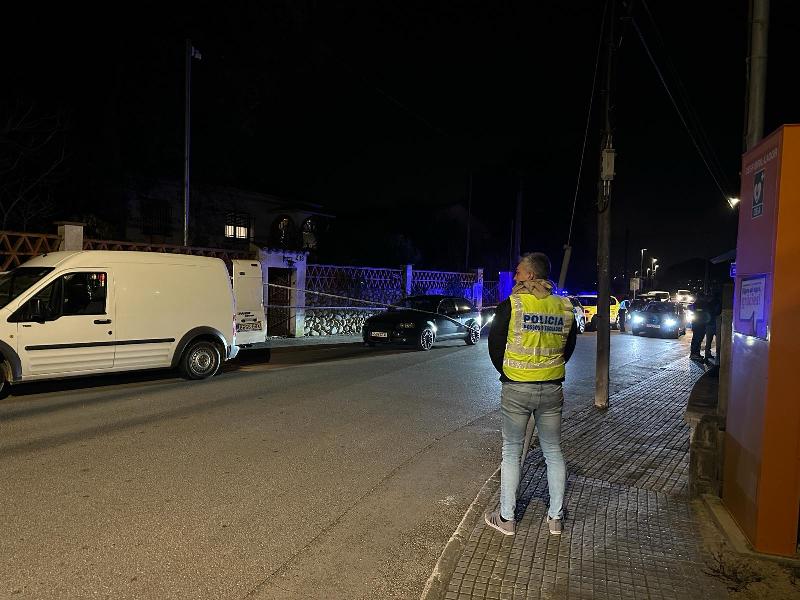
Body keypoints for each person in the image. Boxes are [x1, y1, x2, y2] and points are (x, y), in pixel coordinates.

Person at [484, 252, 577, 536]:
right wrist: (548, 369)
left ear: (531, 275)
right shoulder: (564, 306)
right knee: (553, 451)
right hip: (552, 388)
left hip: (517, 387)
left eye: (519, 272)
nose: (515, 276)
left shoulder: (512, 305)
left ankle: (507, 518)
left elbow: (495, 344)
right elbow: (568, 348)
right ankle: (555, 519)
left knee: (512, 452)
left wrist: (509, 372)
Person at [689, 293, 710, 361]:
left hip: (699, 324)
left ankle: (696, 354)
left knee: (698, 340)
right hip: (698, 325)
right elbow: (699, 312)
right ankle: (694, 354)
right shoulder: (699, 304)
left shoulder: (699, 303)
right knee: (697, 340)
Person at [704, 288, 722, 362]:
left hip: (709, 324)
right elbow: (718, 312)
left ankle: (706, 356)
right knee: (719, 341)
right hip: (716, 324)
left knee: (708, 341)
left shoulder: (709, 303)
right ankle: (718, 356)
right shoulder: (718, 302)